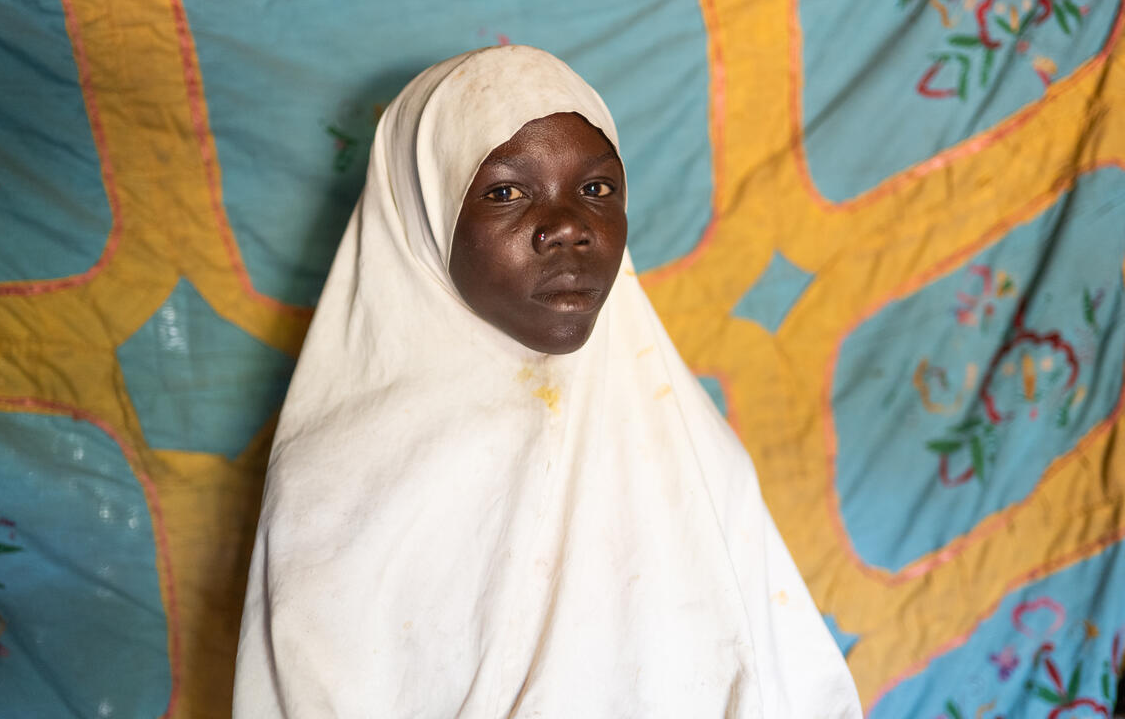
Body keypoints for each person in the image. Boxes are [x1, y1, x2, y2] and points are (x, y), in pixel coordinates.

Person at [233, 45, 863, 718]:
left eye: (597, 189)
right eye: (505, 191)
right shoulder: (338, 489)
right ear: (421, 215)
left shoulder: (691, 447)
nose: (568, 227)